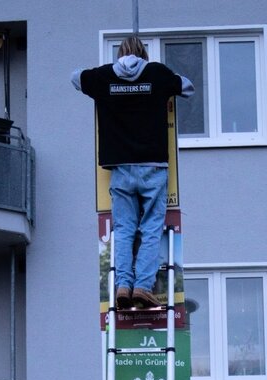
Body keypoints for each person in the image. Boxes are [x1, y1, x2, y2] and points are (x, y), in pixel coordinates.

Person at [72, 36, 194, 309]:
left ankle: (123, 286)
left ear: (120, 54)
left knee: (125, 229)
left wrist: (112, 80)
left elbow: (75, 78)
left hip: (121, 169)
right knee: (151, 228)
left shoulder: (104, 77)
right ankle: (142, 286)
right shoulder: (157, 73)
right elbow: (188, 87)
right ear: (143, 54)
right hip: (153, 167)